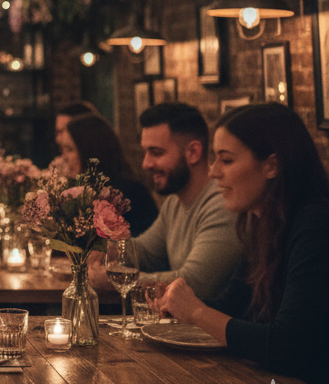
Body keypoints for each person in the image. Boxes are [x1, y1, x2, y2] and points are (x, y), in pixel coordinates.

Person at [155, 103, 329, 384]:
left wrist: (196, 313)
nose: (214, 172)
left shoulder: (313, 226)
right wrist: (173, 311)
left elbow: (287, 346)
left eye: (226, 159)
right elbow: (232, 305)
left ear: (272, 165)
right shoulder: (260, 223)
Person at [90, 102, 241, 300]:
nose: (146, 163)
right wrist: (105, 251)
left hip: (209, 329)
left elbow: (193, 283)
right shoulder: (174, 202)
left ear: (193, 152)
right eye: (146, 152)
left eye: (156, 153)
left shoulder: (222, 203)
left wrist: (117, 278)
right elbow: (145, 252)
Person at [58, 113, 158, 236]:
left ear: (89, 152)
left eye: (70, 149)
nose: (64, 157)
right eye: (63, 149)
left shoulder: (128, 193)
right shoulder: (77, 191)